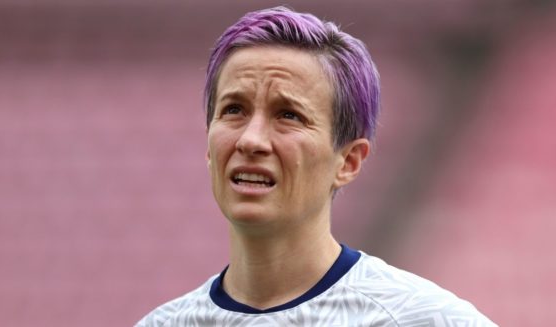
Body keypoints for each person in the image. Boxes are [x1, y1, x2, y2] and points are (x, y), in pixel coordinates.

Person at [136, 6, 496, 326]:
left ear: (349, 161)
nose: (250, 140)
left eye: (288, 115)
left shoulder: (422, 319)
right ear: (209, 144)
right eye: (234, 110)